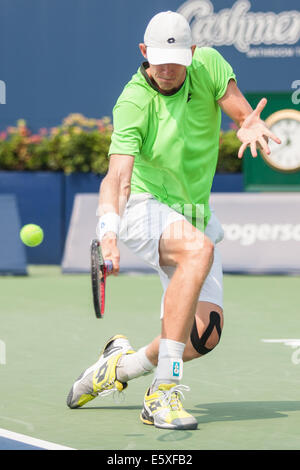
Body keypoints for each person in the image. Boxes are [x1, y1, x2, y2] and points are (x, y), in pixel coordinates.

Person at [67, 11, 281, 430]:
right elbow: (118, 177)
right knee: (198, 249)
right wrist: (108, 232)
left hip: (194, 210)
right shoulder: (133, 101)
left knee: (203, 337)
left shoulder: (209, 65)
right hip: (145, 206)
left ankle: (120, 367)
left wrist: (248, 122)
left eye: (178, 61)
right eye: (160, 61)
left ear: (193, 54)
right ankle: (163, 392)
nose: (168, 70)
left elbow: (240, 111)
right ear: (144, 53)